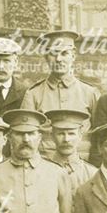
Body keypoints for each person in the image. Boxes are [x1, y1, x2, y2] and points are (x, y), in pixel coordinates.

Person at [22, 30, 99, 158]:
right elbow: (26, 135)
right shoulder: (33, 94)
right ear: (46, 57)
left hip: (82, 164)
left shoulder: (90, 93)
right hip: (45, 165)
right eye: (53, 54)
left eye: (64, 53)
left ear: (73, 56)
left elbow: (99, 135)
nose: (58, 59)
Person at [44, 109, 96, 189]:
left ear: (80, 136)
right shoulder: (42, 171)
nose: (66, 139)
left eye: (71, 134)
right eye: (61, 134)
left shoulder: (92, 174)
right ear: (52, 136)